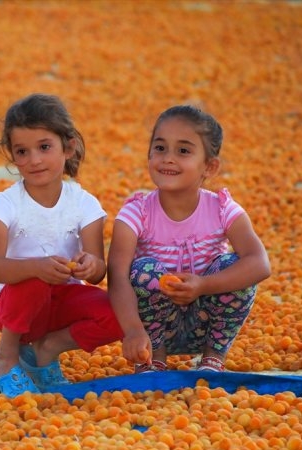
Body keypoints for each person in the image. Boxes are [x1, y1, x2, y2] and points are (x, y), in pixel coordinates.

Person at [108, 104, 270, 373]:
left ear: (210, 166)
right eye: (160, 148)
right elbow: (116, 276)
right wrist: (134, 331)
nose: (168, 158)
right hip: (155, 329)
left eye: (183, 151)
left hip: (207, 324)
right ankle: (154, 358)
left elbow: (260, 263)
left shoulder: (221, 209)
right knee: (142, 271)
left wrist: (204, 285)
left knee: (235, 265)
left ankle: (212, 358)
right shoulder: (136, 213)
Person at [0, 93, 124, 397]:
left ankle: (46, 350)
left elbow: (97, 272)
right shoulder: (4, 205)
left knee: (122, 313)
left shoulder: (84, 204)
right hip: (15, 305)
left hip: (61, 298)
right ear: (11, 155)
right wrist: (37, 268)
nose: (34, 160)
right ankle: (6, 358)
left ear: (68, 146)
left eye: (44, 147)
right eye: (22, 151)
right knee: (34, 281)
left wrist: (90, 264)